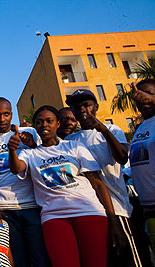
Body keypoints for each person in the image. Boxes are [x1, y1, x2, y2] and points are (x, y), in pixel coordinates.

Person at [8, 105, 126, 267]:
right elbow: (17, 168)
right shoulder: (30, 154)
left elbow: (97, 184)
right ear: (35, 127)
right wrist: (12, 150)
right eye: (39, 122)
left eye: (49, 121)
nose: (44, 125)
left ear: (57, 124)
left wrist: (113, 220)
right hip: (54, 217)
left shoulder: (74, 147)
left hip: (89, 212)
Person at [65, 89, 139, 267]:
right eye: (77, 107)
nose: (83, 110)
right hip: (90, 209)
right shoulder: (70, 140)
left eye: (87, 105)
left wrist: (102, 129)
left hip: (116, 206)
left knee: (129, 258)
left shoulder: (112, 129)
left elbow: (122, 157)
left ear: (95, 107)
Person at [0, 97, 50, 267]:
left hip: (32, 205)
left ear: (11, 115)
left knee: (39, 258)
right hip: (5, 210)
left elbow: (46, 157)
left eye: (6, 114)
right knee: (16, 260)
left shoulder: (29, 133)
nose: (2, 119)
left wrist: (32, 145)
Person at [129, 79, 155, 254]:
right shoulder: (141, 127)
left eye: (149, 94)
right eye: (139, 96)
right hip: (148, 205)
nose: (143, 99)